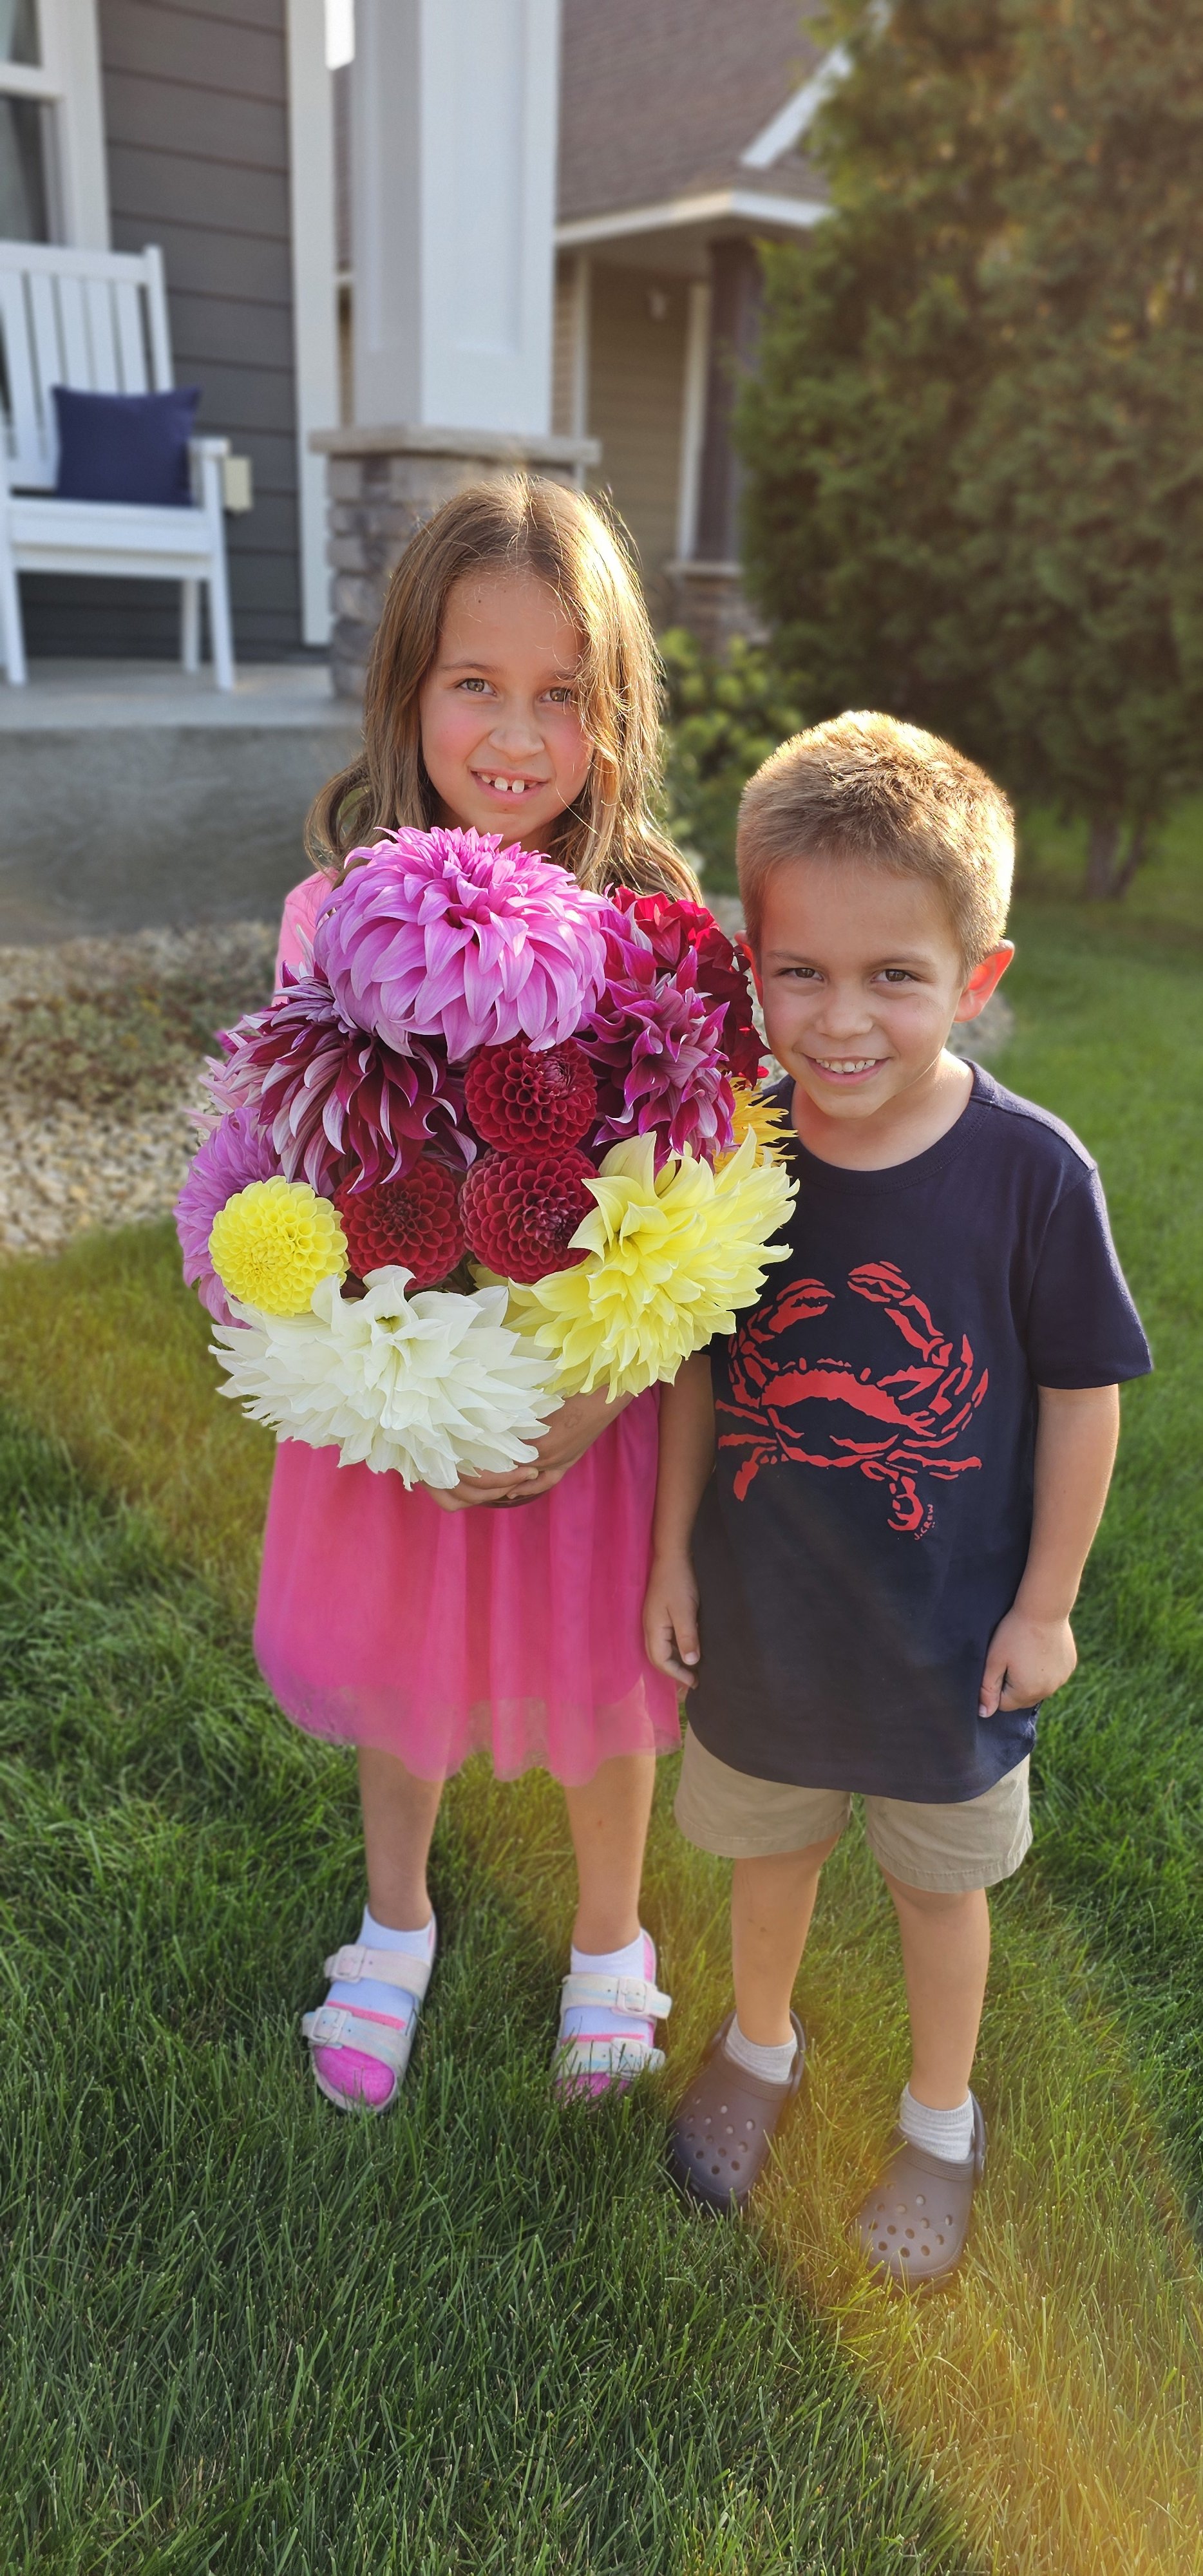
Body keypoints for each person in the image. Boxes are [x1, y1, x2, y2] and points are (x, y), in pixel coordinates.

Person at [643, 712, 1150, 2284]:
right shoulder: (734, 1149)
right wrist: (669, 1555)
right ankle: (761, 2042)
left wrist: (1049, 1603)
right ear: (750, 959)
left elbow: (1082, 1391)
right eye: (801, 972)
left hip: (949, 1638)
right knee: (770, 1854)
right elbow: (698, 1371)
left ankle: (941, 2117)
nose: (840, 1019)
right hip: (767, 1616)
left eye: (896, 977)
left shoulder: (1032, 1174)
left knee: (940, 1894)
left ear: (976, 979)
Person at [262, 478, 696, 2114]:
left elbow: (700, 1206)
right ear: (407, 689)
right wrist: (384, 1380)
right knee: (403, 1660)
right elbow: (284, 1168)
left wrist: (590, 1397)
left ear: (613, 709)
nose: (516, 734)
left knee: (598, 1683)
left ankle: (608, 1938)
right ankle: (395, 1921)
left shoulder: (652, 932)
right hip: (399, 1398)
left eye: (561, 695)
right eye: (475, 684)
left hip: (584, 1400)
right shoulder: (331, 916)